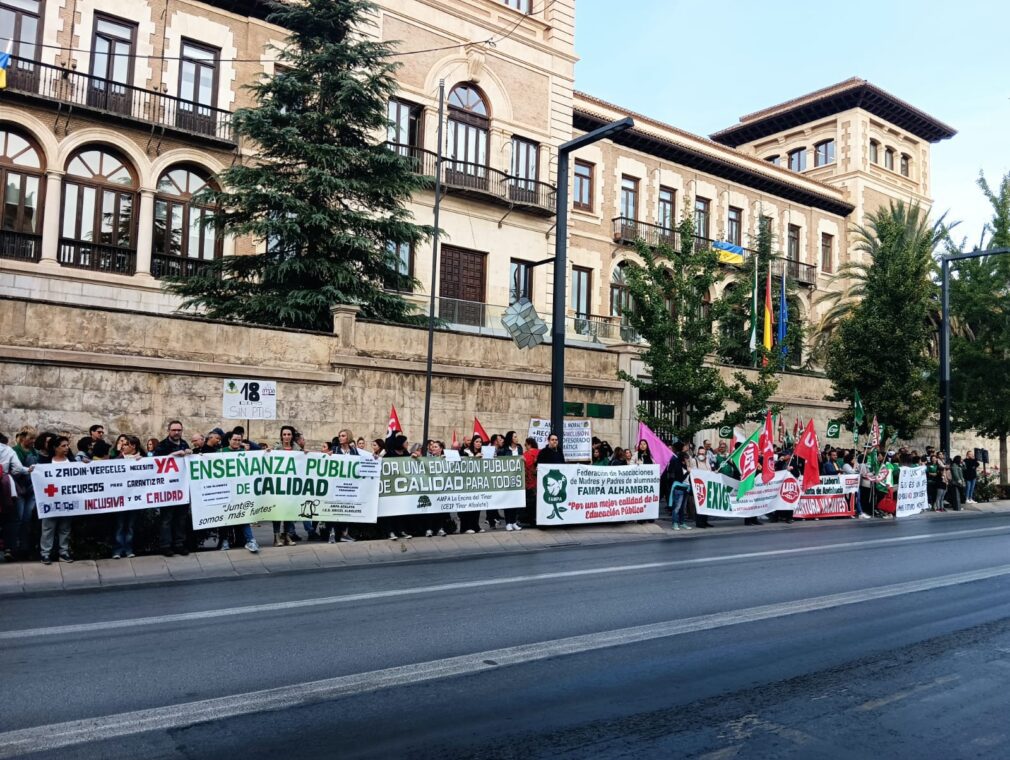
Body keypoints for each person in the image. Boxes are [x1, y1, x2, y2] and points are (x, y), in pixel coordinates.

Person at [153, 420, 192, 556]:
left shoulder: (184, 444)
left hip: (182, 489)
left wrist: (189, 453)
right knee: (167, 519)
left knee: (181, 519)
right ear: (169, 431)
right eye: (174, 430)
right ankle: (165, 546)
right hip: (167, 489)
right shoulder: (162, 445)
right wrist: (172, 455)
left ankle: (179, 544)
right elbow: (156, 463)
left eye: (179, 430)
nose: (176, 432)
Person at [217, 431, 260, 553]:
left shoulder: (244, 452)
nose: (236, 442)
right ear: (229, 440)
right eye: (234, 439)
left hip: (241, 491)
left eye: (239, 440)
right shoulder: (220, 452)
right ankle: (224, 541)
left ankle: (251, 540)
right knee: (226, 516)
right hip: (226, 490)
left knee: (243, 515)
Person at [40, 435, 73, 564]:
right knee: (48, 527)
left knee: (65, 527)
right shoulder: (46, 463)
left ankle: (63, 552)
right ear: (55, 448)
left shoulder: (72, 461)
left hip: (68, 500)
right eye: (63, 446)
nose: (66, 448)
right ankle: (45, 553)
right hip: (50, 500)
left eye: (67, 445)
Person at [112, 435, 145, 559]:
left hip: (135, 499)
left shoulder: (143, 459)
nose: (122, 446)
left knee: (131, 526)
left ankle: (128, 549)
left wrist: (142, 461)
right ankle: (117, 550)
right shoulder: (117, 459)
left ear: (133, 446)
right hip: (120, 498)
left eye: (126, 444)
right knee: (120, 525)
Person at [272, 425, 300, 546]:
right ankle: (276, 537)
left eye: (289, 434)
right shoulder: (276, 449)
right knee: (277, 511)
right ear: (281, 436)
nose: (286, 437)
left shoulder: (298, 450)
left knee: (289, 511)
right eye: (284, 434)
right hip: (278, 485)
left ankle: (287, 535)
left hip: (291, 485)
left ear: (292, 436)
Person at [380, 434, 412, 540]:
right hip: (390, 488)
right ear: (400, 443)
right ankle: (390, 531)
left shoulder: (407, 454)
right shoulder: (389, 454)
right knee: (390, 511)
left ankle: (401, 530)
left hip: (402, 488)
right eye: (406, 442)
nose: (407, 444)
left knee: (401, 510)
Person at [460, 435, 486, 533]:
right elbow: (464, 464)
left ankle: (475, 526)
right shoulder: (466, 451)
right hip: (467, 482)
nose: (479, 443)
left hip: (478, 482)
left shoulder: (483, 452)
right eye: (477, 441)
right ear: (473, 443)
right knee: (467, 505)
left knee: (477, 505)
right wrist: (475, 458)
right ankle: (466, 527)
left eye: (480, 442)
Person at [666, 442, 691, 530]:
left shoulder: (685, 465)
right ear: (682, 459)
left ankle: (682, 522)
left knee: (682, 508)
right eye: (686, 459)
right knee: (677, 507)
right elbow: (680, 478)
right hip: (679, 489)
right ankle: (675, 523)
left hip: (685, 488)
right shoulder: (678, 466)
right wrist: (688, 472)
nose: (688, 460)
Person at [522, 437, 539, 527]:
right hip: (538, 482)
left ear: (529, 444)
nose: (525, 447)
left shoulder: (526, 454)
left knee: (529, 502)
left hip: (529, 482)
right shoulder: (539, 452)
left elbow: (525, 466)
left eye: (525, 445)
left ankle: (530, 519)